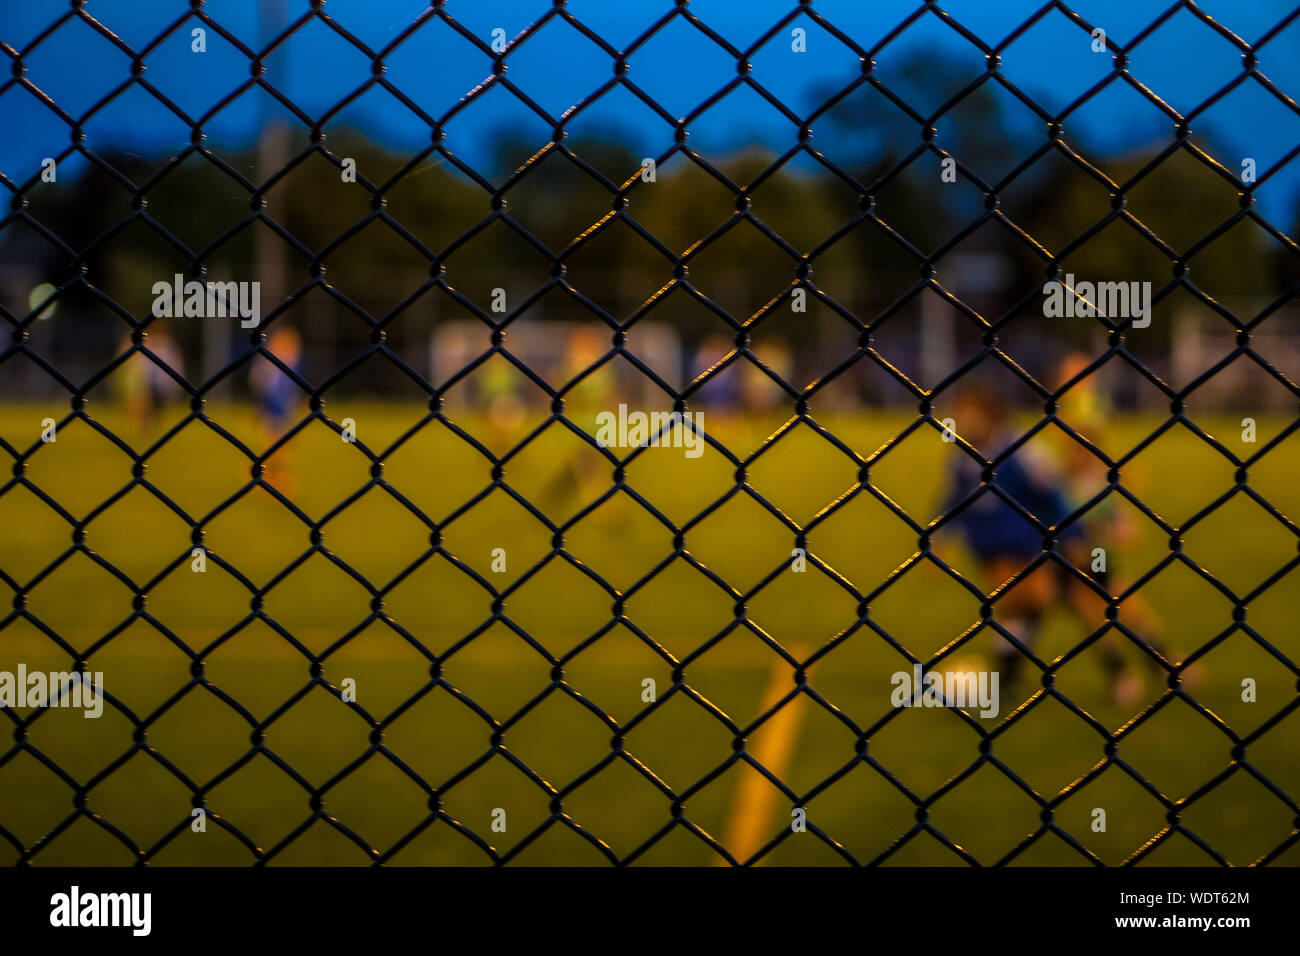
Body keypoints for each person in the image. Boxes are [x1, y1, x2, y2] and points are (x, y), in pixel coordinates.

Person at [941, 383, 1164, 707]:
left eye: (968, 416)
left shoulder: (1021, 453)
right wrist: (942, 534)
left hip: (1038, 550)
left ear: (991, 416)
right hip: (997, 553)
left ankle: (1147, 667)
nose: (960, 423)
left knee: (1096, 604)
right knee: (1034, 609)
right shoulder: (962, 457)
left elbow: (1053, 497)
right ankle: (1013, 681)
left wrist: (1072, 538)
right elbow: (953, 499)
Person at [250, 325, 304, 493]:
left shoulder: (291, 367)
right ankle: (271, 478)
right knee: (278, 448)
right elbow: (263, 387)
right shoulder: (270, 365)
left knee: (282, 449)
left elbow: (292, 393)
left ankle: (270, 476)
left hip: (283, 412)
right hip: (273, 412)